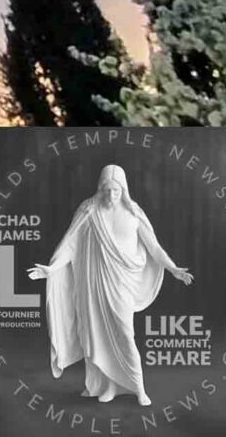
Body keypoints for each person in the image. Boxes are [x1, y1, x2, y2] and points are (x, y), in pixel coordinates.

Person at [28, 163, 192, 407]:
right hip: (94, 284)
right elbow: (70, 245)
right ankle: (107, 386)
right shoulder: (89, 211)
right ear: (100, 188)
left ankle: (138, 388)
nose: (111, 195)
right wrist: (52, 269)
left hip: (122, 283)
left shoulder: (134, 213)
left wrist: (173, 268)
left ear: (123, 190)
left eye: (116, 190)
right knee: (96, 334)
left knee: (125, 334)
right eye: (106, 190)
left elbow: (154, 247)